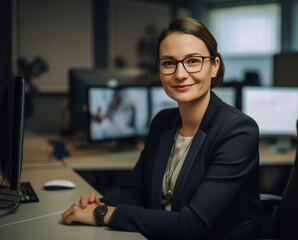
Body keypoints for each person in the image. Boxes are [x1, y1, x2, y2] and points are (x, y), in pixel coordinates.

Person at [62, 17, 262, 240]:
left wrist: (105, 215)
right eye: (169, 63)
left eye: (193, 61)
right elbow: (134, 191)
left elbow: (191, 224)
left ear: (214, 66)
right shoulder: (162, 122)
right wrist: (101, 206)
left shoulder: (238, 131)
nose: (180, 74)